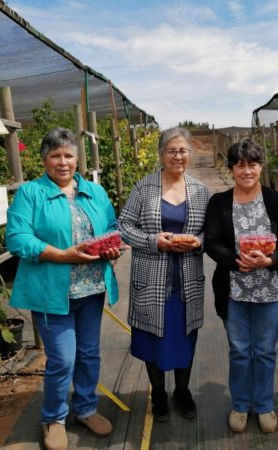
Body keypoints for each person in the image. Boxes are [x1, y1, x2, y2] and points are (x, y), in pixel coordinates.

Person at [6, 128, 121, 450]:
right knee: (62, 360)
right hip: (51, 293)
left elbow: (112, 226)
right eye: (55, 155)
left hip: (91, 289)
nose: (63, 162)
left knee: (88, 354)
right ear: (44, 159)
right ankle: (53, 418)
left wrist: (111, 246)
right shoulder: (30, 194)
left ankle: (85, 408)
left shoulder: (94, 192)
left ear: (77, 159)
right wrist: (62, 255)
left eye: (68, 155)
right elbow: (17, 238)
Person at [204, 139, 278, 434]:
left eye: (253, 164)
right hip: (233, 289)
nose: (247, 170)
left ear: (261, 166)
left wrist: (270, 261)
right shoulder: (220, 202)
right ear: (231, 168)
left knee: (266, 350)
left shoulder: (277, 202)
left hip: (269, 289)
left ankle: (265, 405)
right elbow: (212, 242)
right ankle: (241, 405)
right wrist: (236, 261)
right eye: (240, 164)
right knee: (240, 350)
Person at [118, 127, 209, 422]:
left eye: (183, 151)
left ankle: (182, 392)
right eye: (172, 151)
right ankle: (158, 393)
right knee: (152, 338)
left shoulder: (199, 190)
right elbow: (123, 226)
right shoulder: (144, 188)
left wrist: (199, 242)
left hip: (186, 280)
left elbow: (214, 230)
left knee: (185, 336)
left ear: (190, 155)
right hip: (152, 278)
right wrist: (153, 241)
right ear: (161, 154)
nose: (178, 156)